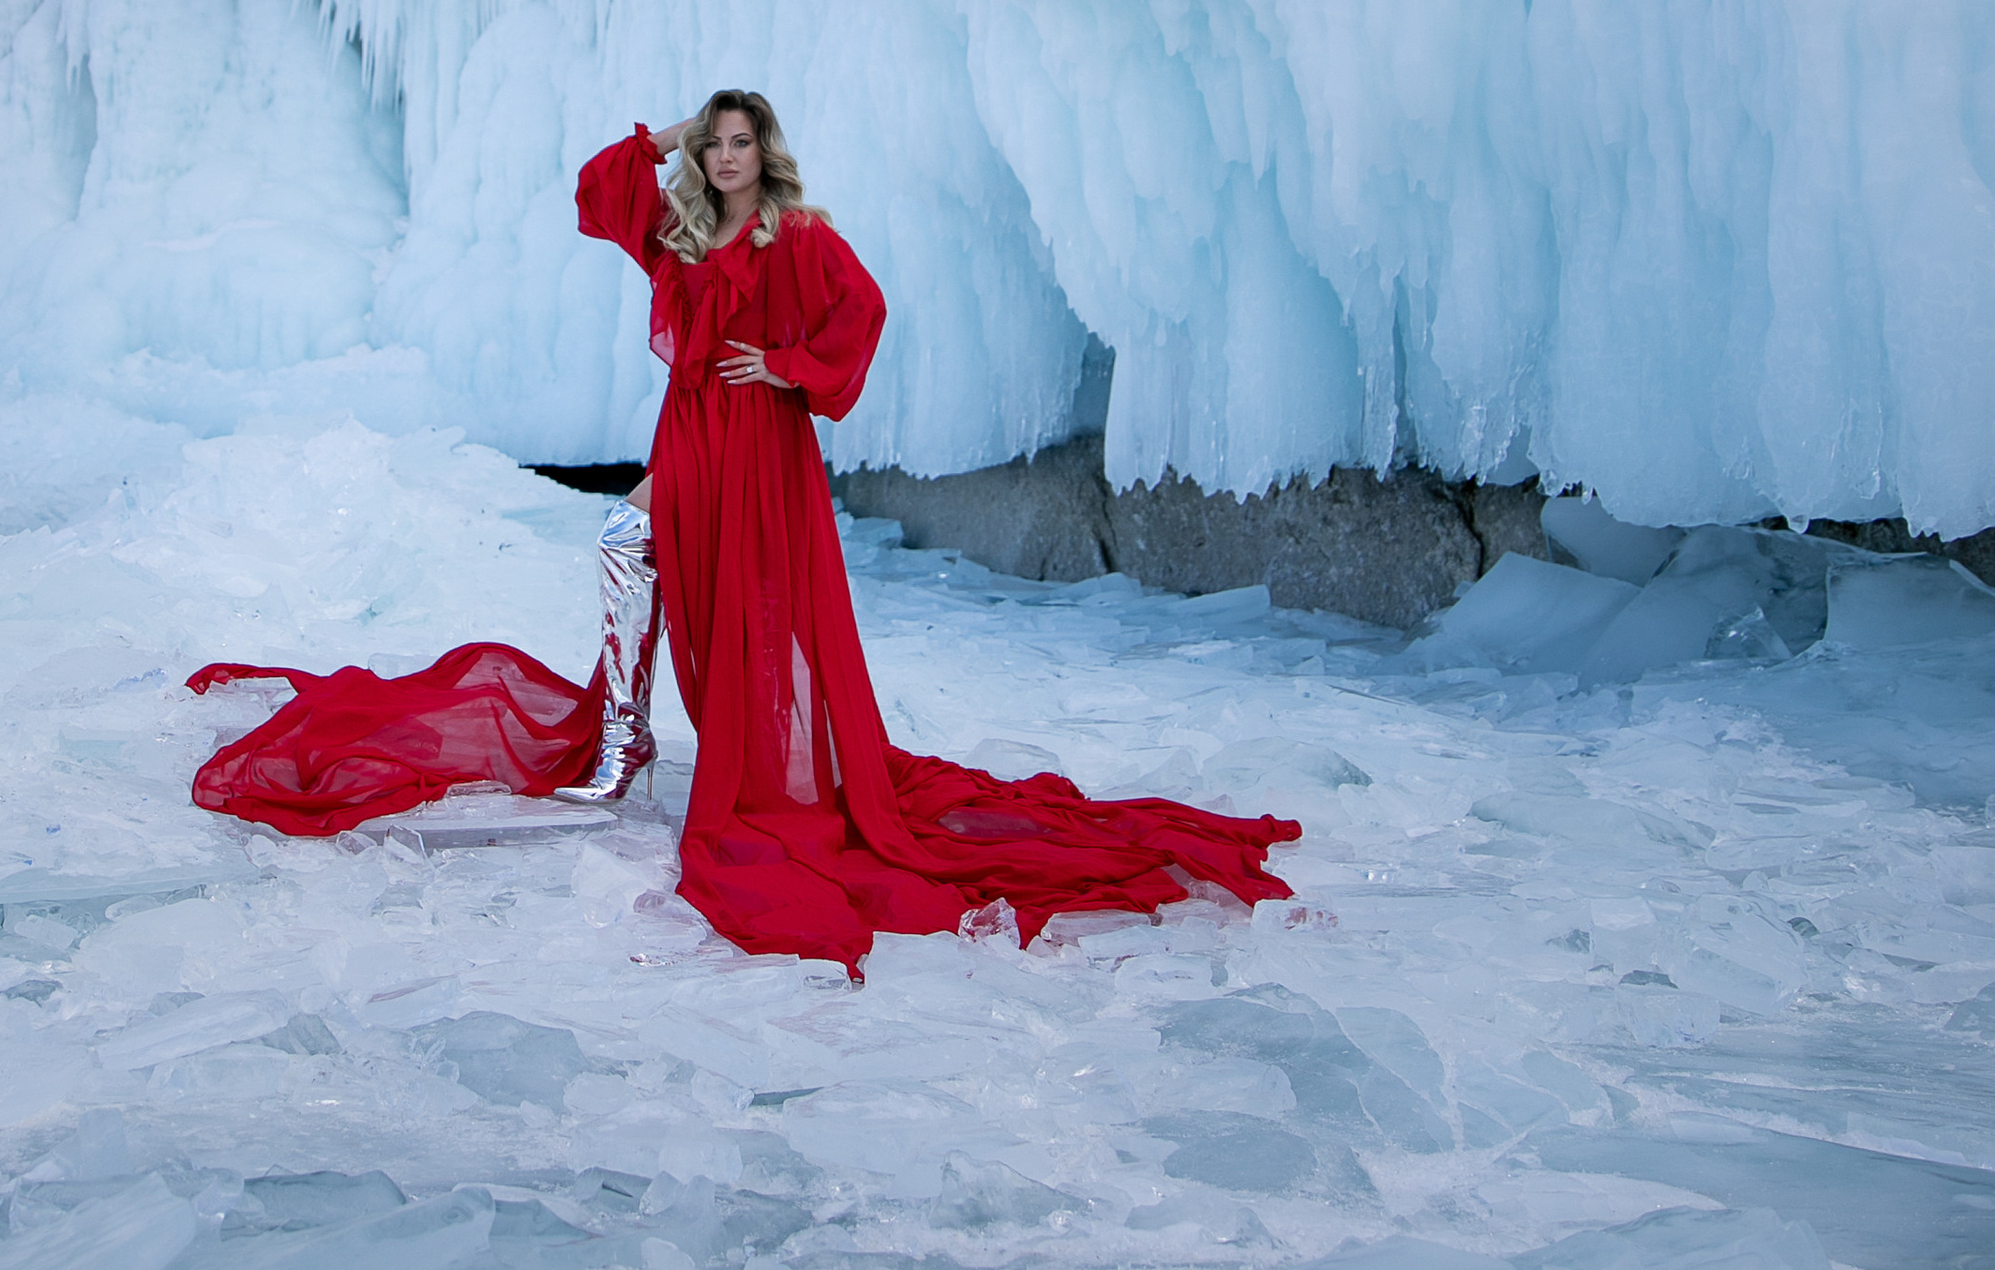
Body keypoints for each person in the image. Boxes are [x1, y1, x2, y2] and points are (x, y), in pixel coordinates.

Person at [187, 96, 1299, 973]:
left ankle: (687, 750)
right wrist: (668, 129)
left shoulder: (798, 236)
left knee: (736, 598)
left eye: (740, 140)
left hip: (758, 444)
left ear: (767, 151)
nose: (725, 157)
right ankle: (621, 738)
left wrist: (791, 371)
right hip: (690, 436)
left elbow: (860, 314)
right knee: (628, 548)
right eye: (714, 142)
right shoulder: (676, 236)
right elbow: (593, 190)